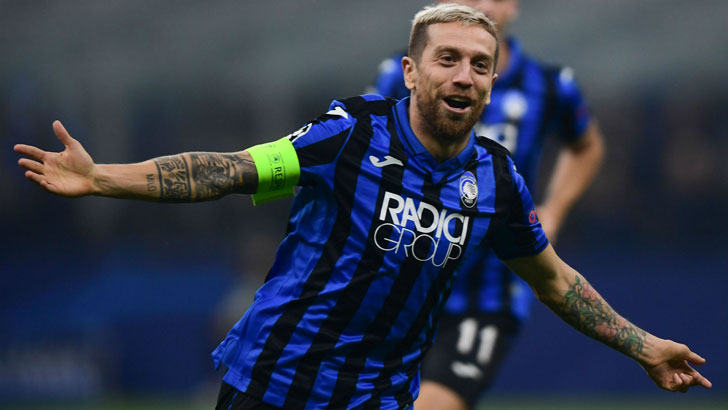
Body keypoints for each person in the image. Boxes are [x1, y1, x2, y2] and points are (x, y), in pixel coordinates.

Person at [14, 4, 710, 410]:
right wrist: (103, 177)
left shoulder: (497, 180)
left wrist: (644, 346)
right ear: (411, 70)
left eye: (478, 63)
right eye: (446, 59)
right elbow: (229, 171)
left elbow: (554, 280)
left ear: (493, 82)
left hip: (374, 402)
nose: (462, 74)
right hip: (274, 386)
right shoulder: (349, 134)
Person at [371, 1, 605, 408]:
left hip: (486, 294)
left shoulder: (550, 86)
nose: (481, 6)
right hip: (404, 276)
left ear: (513, 5)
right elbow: (368, 139)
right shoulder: (403, 73)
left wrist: (553, 210)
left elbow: (586, 146)